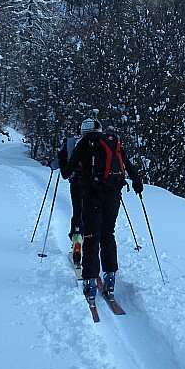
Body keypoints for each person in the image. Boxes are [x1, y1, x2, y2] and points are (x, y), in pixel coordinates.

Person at [60, 117, 143, 306]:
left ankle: (90, 283)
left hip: (92, 196)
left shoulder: (83, 144)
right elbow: (128, 165)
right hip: (113, 195)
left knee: (91, 236)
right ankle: (110, 279)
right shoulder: (113, 142)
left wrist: (63, 160)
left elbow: (66, 173)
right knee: (108, 235)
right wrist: (137, 183)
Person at [56, 127, 84, 263]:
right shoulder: (98, 142)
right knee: (91, 213)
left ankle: (77, 238)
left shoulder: (70, 142)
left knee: (78, 210)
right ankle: (91, 244)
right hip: (95, 185)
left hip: (76, 182)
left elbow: (59, 163)